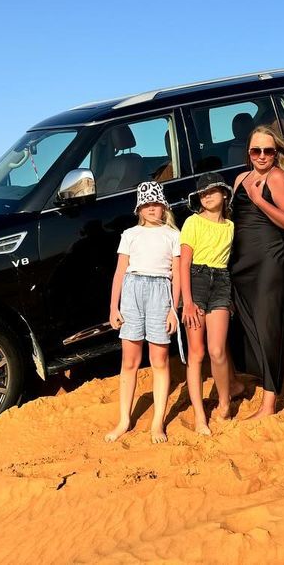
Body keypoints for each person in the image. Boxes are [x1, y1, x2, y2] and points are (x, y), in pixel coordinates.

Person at [230, 125, 284, 419]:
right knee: (248, 324)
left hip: (267, 259)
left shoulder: (276, 177)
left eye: (268, 151)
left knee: (268, 325)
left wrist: (260, 200)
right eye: (256, 150)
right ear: (248, 153)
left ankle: (269, 402)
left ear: (276, 153)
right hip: (240, 260)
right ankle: (257, 379)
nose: (262, 156)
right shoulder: (240, 178)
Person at [106, 181, 182, 444]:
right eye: (146, 204)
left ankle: (157, 422)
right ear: (139, 208)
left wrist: (174, 309)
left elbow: (177, 277)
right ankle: (124, 420)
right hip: (132, 291)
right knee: (130, 361)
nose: (152, 208)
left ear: (164, 207)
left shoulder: (173, 235)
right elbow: (119, 272)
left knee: (159, 359)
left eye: (156, 203)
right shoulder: (130, 234)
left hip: (161, 292)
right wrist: (114, 307)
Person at [180, 173, 236, 435]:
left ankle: (225, 402)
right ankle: (200, 416)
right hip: (197, 280)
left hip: (222, 280)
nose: (207, 196)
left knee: (217, 350)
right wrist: (187, 301)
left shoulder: (230, 226)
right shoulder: (192, 222)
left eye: (212, 190)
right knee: (197, 352)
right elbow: (184, 263)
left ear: (224, 194)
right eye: (203, 193)